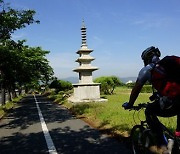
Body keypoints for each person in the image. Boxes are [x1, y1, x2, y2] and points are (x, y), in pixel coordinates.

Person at [122, 46, 180, 153]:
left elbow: (136, 90)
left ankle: (163, 146)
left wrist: (130, 104)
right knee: (178, 134)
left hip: (173, 102)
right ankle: (177, 139)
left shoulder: (147, 70)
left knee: (149, 111)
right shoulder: (169, 64)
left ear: (146, 59)